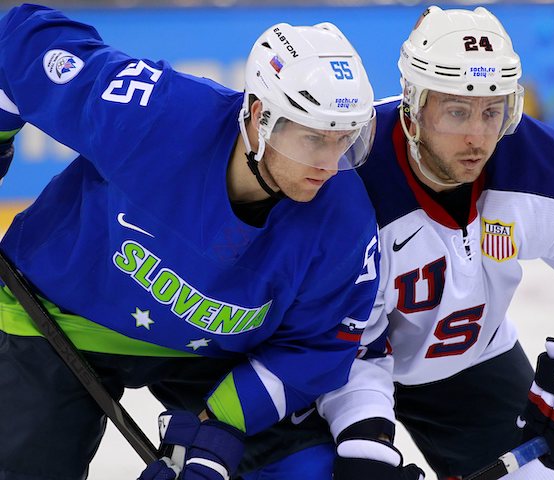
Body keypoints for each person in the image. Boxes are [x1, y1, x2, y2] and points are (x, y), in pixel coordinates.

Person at [0, 4, 380, 480]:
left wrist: (214, 432)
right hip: (58, 313)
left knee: (307, 472)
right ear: (259, 117)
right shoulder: (156, 114)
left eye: (345, 140)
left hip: (209, 355)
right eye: (313, 139)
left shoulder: (344, 219)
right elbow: (18, 42)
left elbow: (315, 347)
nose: (329, 163)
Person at [316, 5, 554, 480]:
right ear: (413, 105)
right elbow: (324, 334)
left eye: (493, 111)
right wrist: (366, 438)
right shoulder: (346, 174)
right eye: (456, 111)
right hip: (332, 372)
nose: (477, 137)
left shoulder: (539, 164)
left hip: (473, 360)